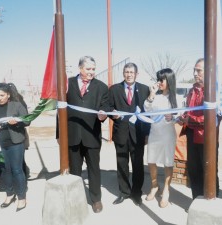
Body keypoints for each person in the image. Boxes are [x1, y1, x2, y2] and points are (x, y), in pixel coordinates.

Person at [56, 56, 109, 213]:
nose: (91, 72)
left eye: (93, 69)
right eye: (88, 69)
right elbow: (60, 111)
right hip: (72, 135)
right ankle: (75, 200)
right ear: (80, 68)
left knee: (94, 169)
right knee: (75, 171)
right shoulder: (68, 84)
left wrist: (103, 115)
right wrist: (59, 134)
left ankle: (96, 199)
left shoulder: (101, 87)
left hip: (91, 135)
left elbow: (105, 107)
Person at [178, 58, 222, 201]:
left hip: (207, 137)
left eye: (199, 70)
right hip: (192, 134)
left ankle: (212, 202)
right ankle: (196, 200)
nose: (195, 73)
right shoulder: (192, 90)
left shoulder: (214, 91)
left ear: (209, 71)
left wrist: (189, 119)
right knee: (194, 170)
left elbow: (214, 117)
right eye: (194, 70)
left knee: (209, 171)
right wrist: (183, 117)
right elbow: (189, 110)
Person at [108, 62, 150, 206]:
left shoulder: (144, 90)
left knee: (138, 165)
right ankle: (124, 192)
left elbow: (148, 114)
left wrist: (147, 134)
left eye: (132, 72)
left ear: (136, 74)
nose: (129, 74)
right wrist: (113, 114)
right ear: (123, 73)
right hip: (121, 133)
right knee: (122, 164)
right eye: (126, 72)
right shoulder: (114, 89)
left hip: (138, 134)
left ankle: (136, 193)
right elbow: (109, 107)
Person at [0, 83, 30, 211]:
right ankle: (10, 195)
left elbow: (27, 121)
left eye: (2, 95)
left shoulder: (16, 105)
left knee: (17, 169)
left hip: (15, 143)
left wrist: (17, 121)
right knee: (6, 170)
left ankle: (22, 197)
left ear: (8, 95)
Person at [143, 68, 177, 208]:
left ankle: (166, 190)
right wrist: (151, 94)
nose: (160, 82)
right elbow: (146, 109)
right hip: (154, 132)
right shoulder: (154, 95)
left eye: (162, 79)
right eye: (158, 79)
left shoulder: (175, 97)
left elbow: (180, 116)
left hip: (168, 134)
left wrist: (173, 117)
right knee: (151, 161)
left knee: (168, 162)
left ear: (169, 80)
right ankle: (154, 185)